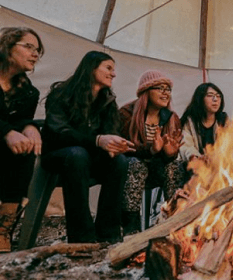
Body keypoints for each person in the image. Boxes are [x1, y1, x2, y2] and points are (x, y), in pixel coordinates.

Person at [41, 51, 134, 244]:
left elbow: (111, 132)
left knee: (119, 161)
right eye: (108, 68)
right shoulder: (62, 94)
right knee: (77, 154)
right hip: (58, 156)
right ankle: (81, 237)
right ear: (91, 68)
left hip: (89, 157)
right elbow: (59, 132)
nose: (113, 74)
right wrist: (98, 140)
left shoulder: (107, 100)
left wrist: (116, 145)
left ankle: (108, 234)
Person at [119, 70, 182, 235]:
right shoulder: (127, 113)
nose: (165, 93)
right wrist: (151, 149)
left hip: (157, 170)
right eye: (159, 88)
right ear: (146, 92)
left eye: (168, 89)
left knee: (174, 166)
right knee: (136, 165)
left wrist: (169, 154)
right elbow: (124, 148)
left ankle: (175, 220)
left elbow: (170, 154)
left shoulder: (172, 118)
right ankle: (130, 228)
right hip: (130, 169)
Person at [0, 27, 44, 252]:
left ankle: (3, 229)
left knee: (26, 150)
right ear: (7, 48)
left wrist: (30, 127)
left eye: (38, 50)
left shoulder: (29, 92)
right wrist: (7, 131)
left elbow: (22, 121)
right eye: (28, 46)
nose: (35, 53)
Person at [179, 83, 228, 164]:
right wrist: (195, 156)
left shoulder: (223, 120)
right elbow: (186, 145)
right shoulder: (190, 121)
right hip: (196, 165)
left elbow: (228, 145)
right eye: (210, 95)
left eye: (218, 96)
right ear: (200, 98)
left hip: (218, 165)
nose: (215, 99)